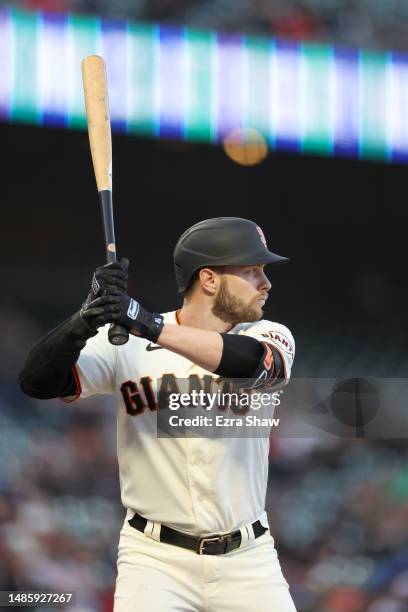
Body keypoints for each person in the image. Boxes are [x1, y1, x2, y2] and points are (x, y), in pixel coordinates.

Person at [19, 217, 297, 612]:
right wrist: (84, 320)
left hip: (248, 559)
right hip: (154, 560)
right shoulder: (125, 342)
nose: (265, 282)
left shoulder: (270, 334)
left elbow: (252, 363)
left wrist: (146, 323)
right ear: (209, 280)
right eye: (252, 271)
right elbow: (37, 381)